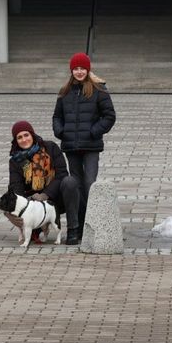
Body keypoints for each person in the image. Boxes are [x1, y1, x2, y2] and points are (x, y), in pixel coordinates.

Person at [52, 52, 116, 242]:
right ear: (71, 70)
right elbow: (57, 116)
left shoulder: (99, 90)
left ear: (88, 69)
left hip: (91, 147)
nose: (79, 72)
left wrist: (94, 131)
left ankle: (93, 224)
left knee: (90, 184)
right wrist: (60, 131)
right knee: (76, 186)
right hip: (71, 146)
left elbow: (109, 116)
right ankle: (77, 228)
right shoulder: (65, 91)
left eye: (82, 68)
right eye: (76, 68)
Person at [7, 120, 81, 244]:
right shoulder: (15, 161)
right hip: (33, 205)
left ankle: (73, 229)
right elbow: (16, 187)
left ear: (32, 135)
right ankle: (35, 227)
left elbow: (62, 174)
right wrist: (13, 212)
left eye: (26, 135)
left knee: (70, 182)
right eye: (19, 137)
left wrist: (45, 194)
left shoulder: (50, 147)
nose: (24, 139)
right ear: (16, 141)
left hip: (56, 198)